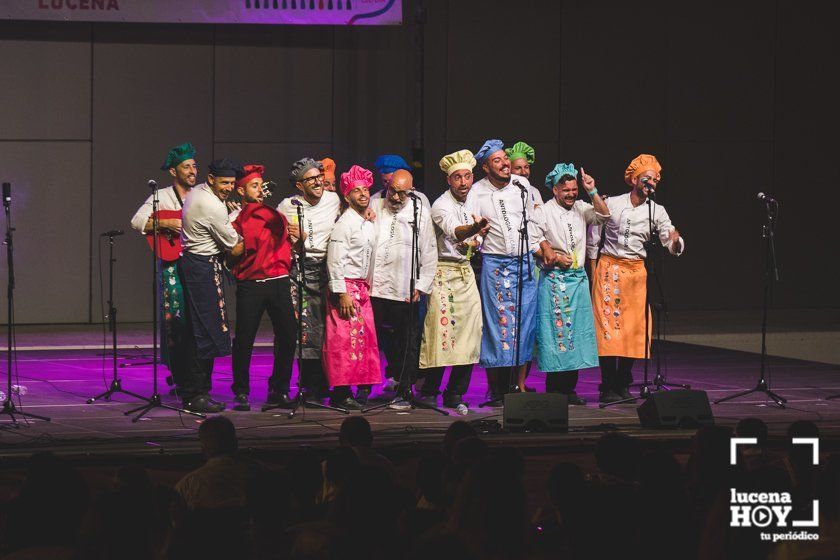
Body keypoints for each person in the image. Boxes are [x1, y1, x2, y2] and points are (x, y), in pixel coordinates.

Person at [452, 139, 553, 406]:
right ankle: (497, 390)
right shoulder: (477, 192)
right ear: (486, 167)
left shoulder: (522, 186)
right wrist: (474, 238)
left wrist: (538, 247)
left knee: (524, 323)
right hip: (496, 265)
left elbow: (530, 223)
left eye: (505, 159)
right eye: (497, 160)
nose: (505, 163)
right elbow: (469, 227)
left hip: (523, 262)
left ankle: (515, 385)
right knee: (500, 327)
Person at [587, 154, 685, 403]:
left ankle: (623, 382)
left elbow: (669, 237)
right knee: (608, 330)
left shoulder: (657, 210)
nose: (650, 182)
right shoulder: (614, 202)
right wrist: (593, 270)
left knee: (633, 330)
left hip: (636, 273)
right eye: (646, 178)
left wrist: (675, 241)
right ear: (634, 179)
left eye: (654, 179)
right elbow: (595, 236)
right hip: (610, 269)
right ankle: (607, 384)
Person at [228, 164, 301, 412]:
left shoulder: (275, 214)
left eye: (261, 185)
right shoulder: (235, 219)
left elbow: (289, 243)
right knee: (245, 339)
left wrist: (296, 236)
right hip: (251, 284)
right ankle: (241, 391)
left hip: (278, 281)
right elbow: (231, 252)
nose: (260, 190)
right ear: (241, 190)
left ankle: (278, 389)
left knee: (289, 335)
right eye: (254, 185)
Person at [536, 163, 609, 405]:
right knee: (557, 334)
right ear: (555, 190)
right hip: (555, 279)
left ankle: (569, 390)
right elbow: (535, 241)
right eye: (565, 190)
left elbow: (603, 215)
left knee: (576, 335)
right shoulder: (544, 211)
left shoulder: (581, 207)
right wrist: (554, 256)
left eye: (574, 189)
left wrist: (592, 190)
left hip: (577, 280)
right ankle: (555, 390)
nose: (570, 194)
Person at [417, 150, 483, 413]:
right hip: (442, 273)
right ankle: (430, 390)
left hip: (465, 272)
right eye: (458, 177)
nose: (463, 182)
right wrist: (476, 231)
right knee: (441, 333)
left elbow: (475, 241)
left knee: (470, 333)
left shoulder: (472, 202)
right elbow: (457, 232)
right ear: (448, 180)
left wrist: (477, 239)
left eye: (467, 177)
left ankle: (456, 392)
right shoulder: (441, 205)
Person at [130, 142, 198, 396]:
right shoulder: (162, 197)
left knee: (197, 320)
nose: (192, 171)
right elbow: (137, 221)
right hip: (173, 265)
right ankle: (180, 374)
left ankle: (197, 375)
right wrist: (165, 221)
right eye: (186, 166)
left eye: (193, 166)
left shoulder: (202, 194)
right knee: (175, 320)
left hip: (197, 264)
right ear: (173, 172)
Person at [179, 158, 244, 413]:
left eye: (231, 183)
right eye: (224, 182)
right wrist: (241, 223)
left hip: (196, 264)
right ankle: (197, 393)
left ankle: (195, 390)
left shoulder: (197, 193)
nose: (228, 187)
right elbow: (234, 246)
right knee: (204, 331)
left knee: (199, 329)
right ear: (211, 179)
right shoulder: (211, 205)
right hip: (203, 267)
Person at [369, 168, 437, 410]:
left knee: (406, 341)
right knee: (379, 340)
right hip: (376, 287)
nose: (395, 198)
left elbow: (429, 251)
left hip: (404, 288)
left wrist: (421, 284)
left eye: (402, 194)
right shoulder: (375, 206)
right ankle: (376, 384)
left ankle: (405, 389)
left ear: (412, 192)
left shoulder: (420, 212)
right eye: (392, 191)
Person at [278, 158, 343, 403]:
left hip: (327, 269)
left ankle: (328, 384)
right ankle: (309, 386)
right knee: (305, 331)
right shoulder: (287, 205)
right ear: (299, 185)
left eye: (319, 178)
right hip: (300, 271)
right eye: (311, 179)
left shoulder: (333, 200)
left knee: (329, 329)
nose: (317, 182)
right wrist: (293, 238)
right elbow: (276, 233)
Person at [323, 165, 383, 409]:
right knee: (343, 342)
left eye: (366, 190)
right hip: (346, 289)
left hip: (361, 289)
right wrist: (341, 293)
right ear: (347, 196)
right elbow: (335, 259)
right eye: (356, 191)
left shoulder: (366, 221)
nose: (363, 194)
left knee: (363, 340)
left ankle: (361, 388)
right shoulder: (343, 224)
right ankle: (341, 392)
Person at [504, 140, 546, 392]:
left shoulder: (535, 193)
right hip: (510, 264)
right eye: (518, 168)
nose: (523, 172)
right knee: (507, 327)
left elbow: (539, 225)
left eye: (526, 167)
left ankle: (521, 383)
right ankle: (501, 385)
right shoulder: (504, 192)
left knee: (527, 328)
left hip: (533, 264)